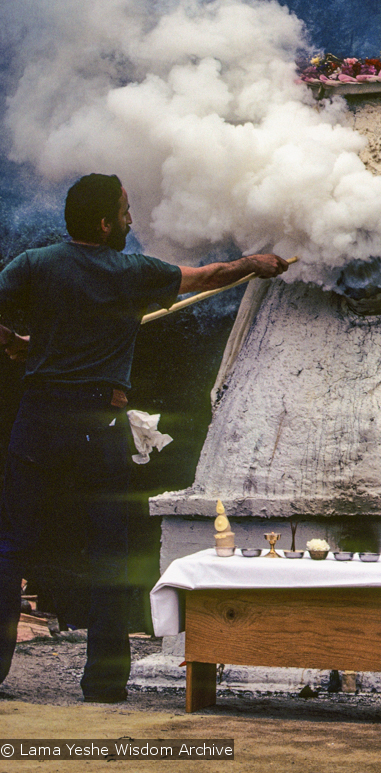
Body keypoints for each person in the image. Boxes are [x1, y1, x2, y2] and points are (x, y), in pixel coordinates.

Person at [0, 173, 289, 702]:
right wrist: (253, 263)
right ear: (105, 222)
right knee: (110, 552)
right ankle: (106, 685)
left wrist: (14, 343)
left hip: (37, 418)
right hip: (98, 423)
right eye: (126, 212)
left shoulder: (34, 264)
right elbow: (209, 276)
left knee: (10, 544)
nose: (132, 221)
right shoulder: (129, 272)